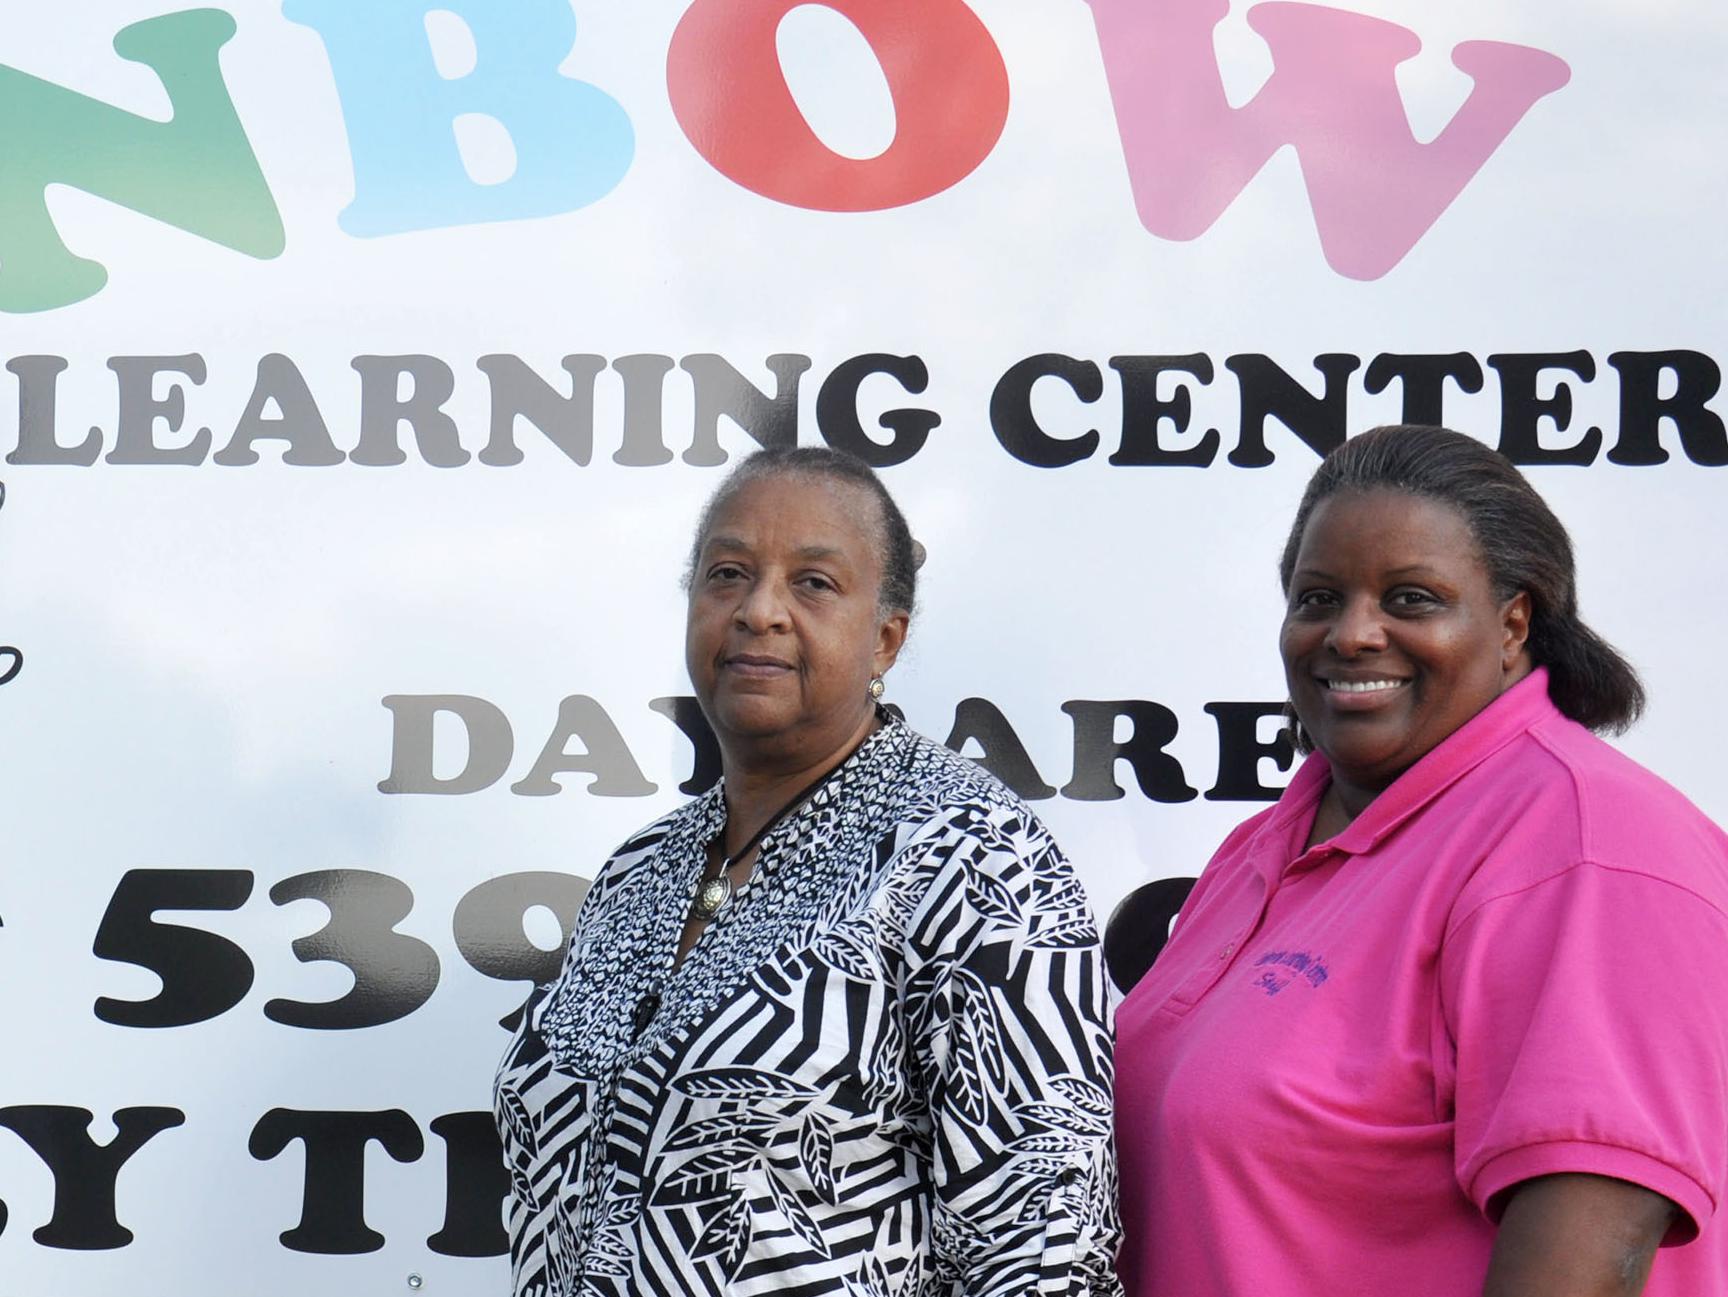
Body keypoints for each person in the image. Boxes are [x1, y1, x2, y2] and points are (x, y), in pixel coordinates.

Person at [1115, 425, 1728, 1296]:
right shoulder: (1266, 844)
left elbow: (1587, 1256)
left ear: (1515, 621)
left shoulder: (1592, 845)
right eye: (1318, 598)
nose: (1352, 634)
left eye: (1410, 599)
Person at [496, 447, 1122, 1296]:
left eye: (814, 583)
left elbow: (1045, 1253)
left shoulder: (971, 858)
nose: (760, 611)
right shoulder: (637, 874)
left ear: (887, 637)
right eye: (728, 574)